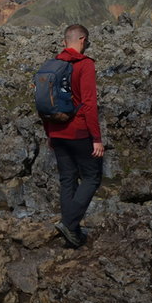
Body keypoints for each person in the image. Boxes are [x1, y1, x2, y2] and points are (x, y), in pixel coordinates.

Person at [44, 24, 104, 248]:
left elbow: (44, 103)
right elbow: (89, 104)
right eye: (86, 41)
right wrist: (96, 138)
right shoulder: (85, 65)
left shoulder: (52, 66)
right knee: (91, 177)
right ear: (82, 39)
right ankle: (69, 223)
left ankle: (71, 231)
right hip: (78, 131)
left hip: (57, 131)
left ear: (63, 42)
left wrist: (50, 133)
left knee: (67, 178)